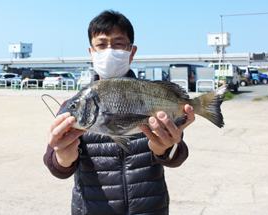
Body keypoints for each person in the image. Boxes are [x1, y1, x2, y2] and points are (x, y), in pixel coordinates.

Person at [43, 10, 195, 214]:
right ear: (91, 52)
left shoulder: (152, 95)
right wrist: (63, 157)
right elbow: (56, 167)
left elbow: (177, 156)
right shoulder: (72, 107)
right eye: (101, 44)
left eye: (118, 43)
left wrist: (165, 149)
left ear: (131, 51)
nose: (109, 50)